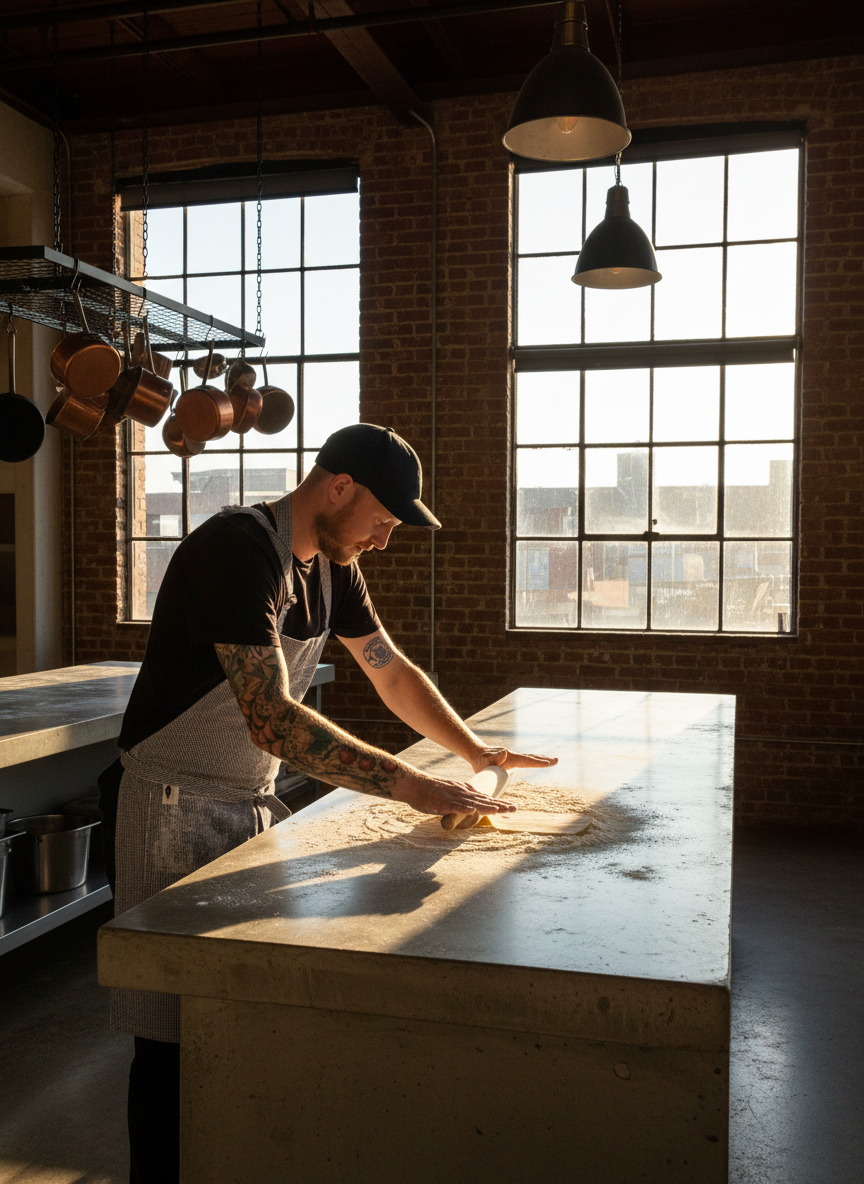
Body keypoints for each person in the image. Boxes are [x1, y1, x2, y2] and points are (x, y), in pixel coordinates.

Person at [99, 422, 556, 1184]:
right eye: (381, 520)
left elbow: (391, 671)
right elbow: (272, 717)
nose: (382, 539)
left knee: (238, 1011)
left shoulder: (333, 567)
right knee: (170, 1030)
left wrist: (474, 751)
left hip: (247, 802)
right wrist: (414, 786)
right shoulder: (237, 550)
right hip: (168, 808)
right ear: (338, 487)